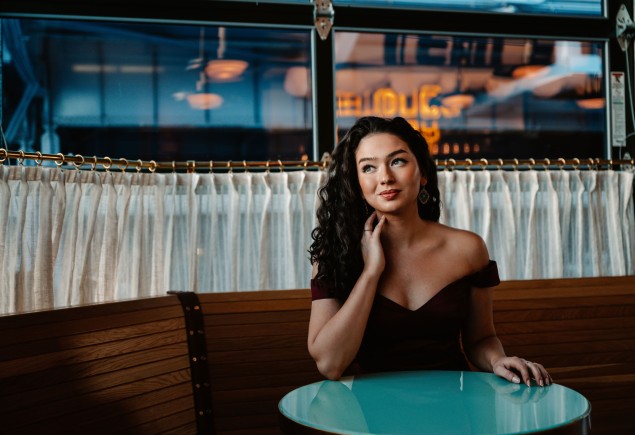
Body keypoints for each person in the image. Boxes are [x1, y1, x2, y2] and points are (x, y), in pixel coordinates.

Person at [307, 116, 552, 387]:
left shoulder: (467, 249)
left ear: (422, 173)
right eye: (368, 168)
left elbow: (480, 339)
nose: (385, 177)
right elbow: (330, 364)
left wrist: (497, 360)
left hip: (456, 407)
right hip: (373, 416)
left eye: (397, 161)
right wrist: (371, 273)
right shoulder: (335, 253)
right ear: (356, 182)